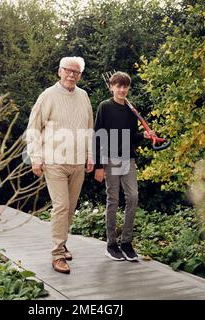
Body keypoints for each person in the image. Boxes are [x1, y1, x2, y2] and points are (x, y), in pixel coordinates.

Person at [26, 56, 94, 274]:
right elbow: (34, 127)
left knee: (70, 208)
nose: (72, 75)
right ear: (59, 71)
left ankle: (62, 243)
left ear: (80, 76)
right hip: (54, 161)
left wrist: (90, 155)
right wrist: (35, 157)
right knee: (61, 206)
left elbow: (89, 128)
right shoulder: (48, 96)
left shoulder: (83, 96)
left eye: (76, 72)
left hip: (77, 162)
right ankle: (57, 254)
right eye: (68, 70)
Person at [94, 71, 151, 262]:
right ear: (111, 87)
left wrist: (143, 135)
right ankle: (111, 244)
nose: (122, 89)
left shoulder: (130, 109)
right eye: (118, 86)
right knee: (113, 200)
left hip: (127, 158)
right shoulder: (105, 107)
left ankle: (126, 242)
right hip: (110, 159)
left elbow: (132, 135)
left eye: (125, 86)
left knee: (133, 196)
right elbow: (98, 136)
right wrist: (99, 165)